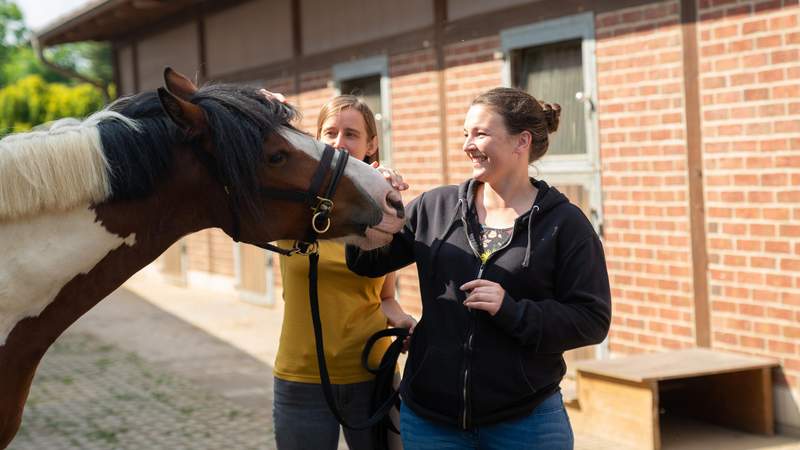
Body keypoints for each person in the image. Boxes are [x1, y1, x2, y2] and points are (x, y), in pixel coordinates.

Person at [346, 87, 612, 449]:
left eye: (481, 133)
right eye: (465, 134)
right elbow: (363, 263)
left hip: (526, 422)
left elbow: (592, 319)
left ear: (522, 141)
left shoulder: (564, 224)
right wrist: (371, 201)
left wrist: (513, 311)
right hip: (432, 421)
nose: (468, 145)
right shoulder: (433, 208)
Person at [270, 94, 416, 450]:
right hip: (301, 378)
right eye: (330, 133)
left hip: (371, 375)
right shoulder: (295, 209)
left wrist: (403, 320)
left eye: (351, 134)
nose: (339, 142)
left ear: (372, 144)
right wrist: (268, 109)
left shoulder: (383, 217)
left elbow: (385, 298)